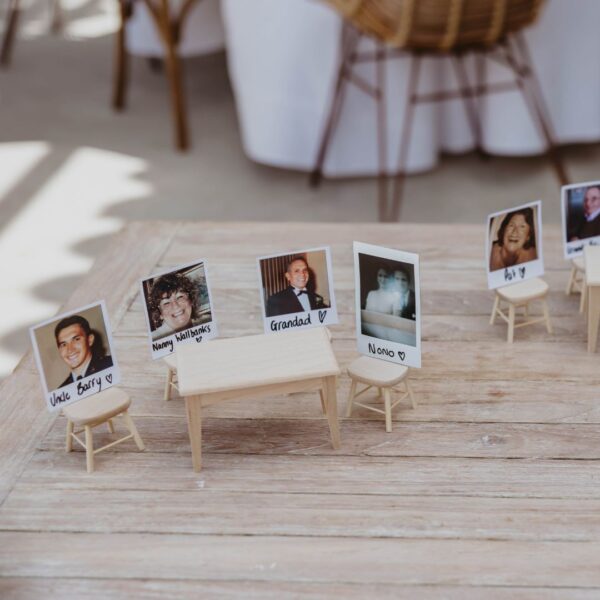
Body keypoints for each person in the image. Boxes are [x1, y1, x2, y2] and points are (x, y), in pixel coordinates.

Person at [55, 315, 113, 388]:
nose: (70, 349)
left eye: (76, 339)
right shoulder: (62, 390)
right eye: (63, 344)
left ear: (90, 340)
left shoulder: (111, 365)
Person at [149, 272, 209, 340]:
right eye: (166, 303)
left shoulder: (208, 322)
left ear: (191, 300)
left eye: (180, 297)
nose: (175, 306)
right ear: (160, 314)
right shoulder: (154, 339)